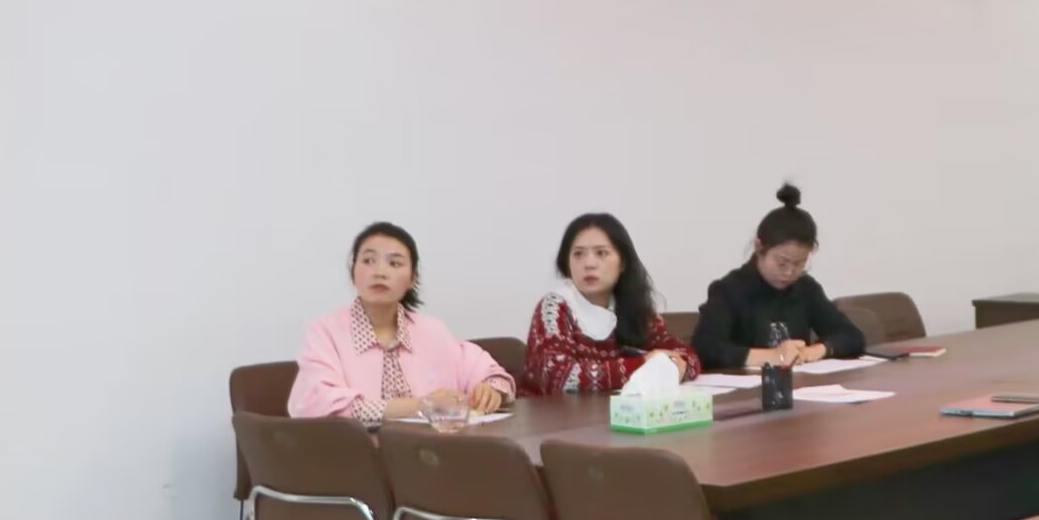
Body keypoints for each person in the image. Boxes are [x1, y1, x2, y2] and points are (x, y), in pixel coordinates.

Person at [288, 222, 515, 423]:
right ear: (353, 273)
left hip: (429, 450)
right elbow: (314, 404)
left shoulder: (432, 330)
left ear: (412, 279)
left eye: (394, 264)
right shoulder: (325, 332)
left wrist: (490, 390)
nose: (379, 272)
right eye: (368, 260)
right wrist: (421, 406)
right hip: (355, 453)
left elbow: (493, 374)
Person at [522, 213, 702, 394]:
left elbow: (687, 356)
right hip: (555, 411)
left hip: (615, 408)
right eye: (578, 254)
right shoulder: (554, 307)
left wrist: (674, 365)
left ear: (622, 262)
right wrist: (644, 365)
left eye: (601, 253)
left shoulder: (632, 305)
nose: (589, 264)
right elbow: (558, 377)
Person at [692, 184, 864, 370]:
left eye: (799, 264)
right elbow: (705, 348)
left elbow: (852, 337)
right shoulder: (729, 289)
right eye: (782, 263)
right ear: (759, 247)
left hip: (799, 383)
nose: (789, 272)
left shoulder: (805, 288)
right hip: (747, 386)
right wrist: (772, 356)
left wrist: (816, 350)